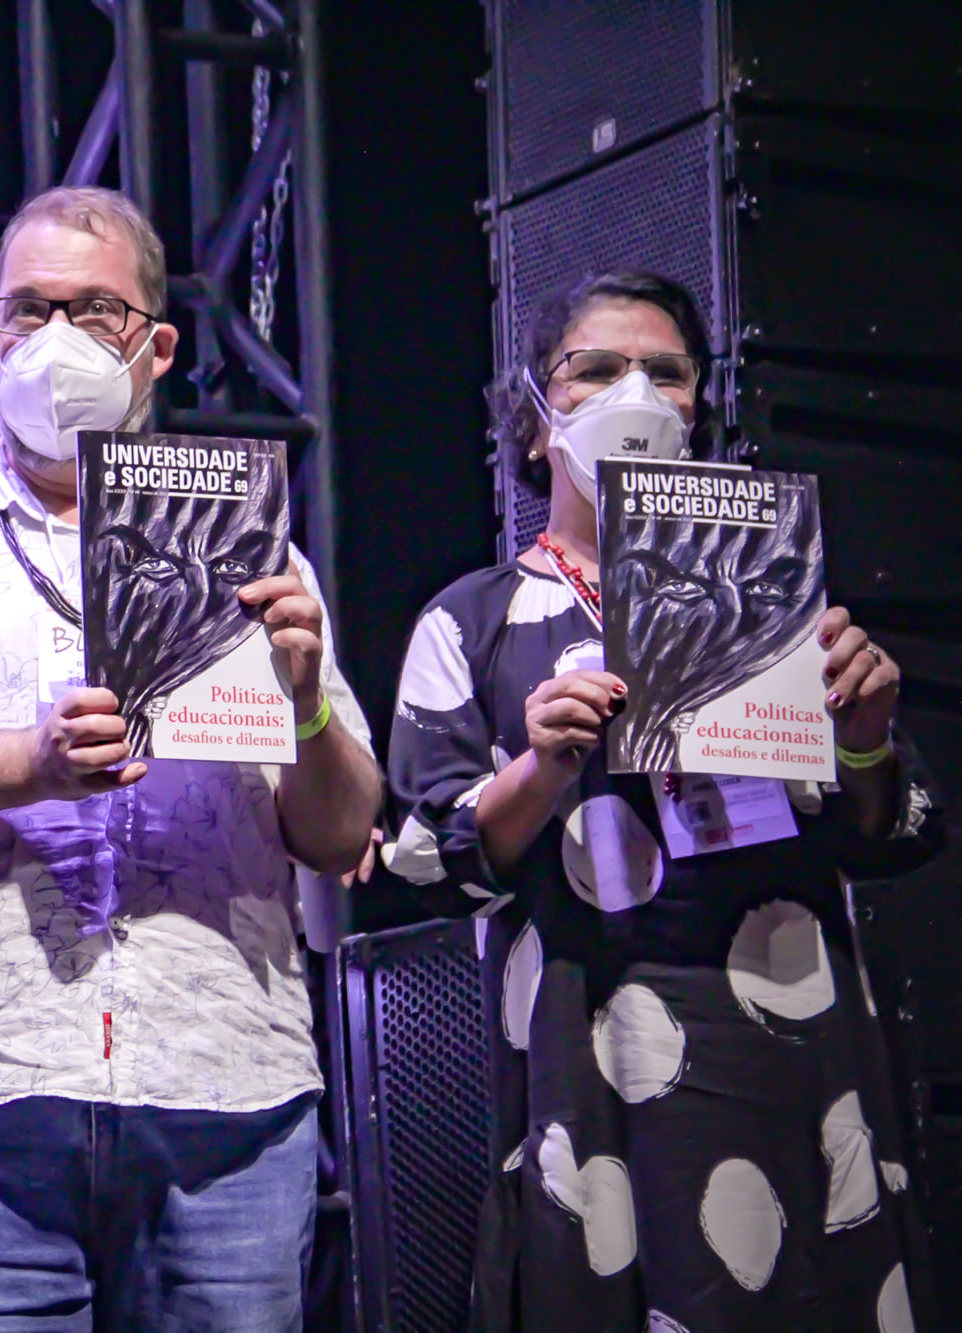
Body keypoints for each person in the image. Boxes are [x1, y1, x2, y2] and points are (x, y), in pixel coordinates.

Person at [0, 185, 384, 1332]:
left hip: (224, 1093)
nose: (58, 340)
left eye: (94, 312)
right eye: (29, 310)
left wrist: (302, 704)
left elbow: (339, 832)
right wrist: (31, 764)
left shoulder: (250, 548)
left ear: (157, 348)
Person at [386, 269, 941, 1331]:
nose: (633, 395)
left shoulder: (772, 597)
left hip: (794, 1048)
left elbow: (894, 831)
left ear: (699, 406)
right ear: (535, 419)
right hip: (595, 1059)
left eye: (665, 373)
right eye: (595, 370)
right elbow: (421, 860)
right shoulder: (474, 621)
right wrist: (540, 768)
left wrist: (864, 736)